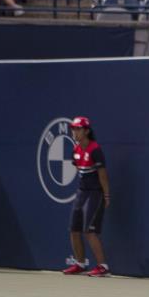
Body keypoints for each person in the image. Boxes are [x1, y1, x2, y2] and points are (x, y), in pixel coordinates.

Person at [61, 117, 111, 278]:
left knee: (89, 231)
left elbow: (102, 175)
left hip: (96, 193)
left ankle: (103, 267)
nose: (74, 132)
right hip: (82, 193)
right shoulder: (75, 150)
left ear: (87, 131)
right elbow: (80, 172)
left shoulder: (95, 149)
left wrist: (106, 195)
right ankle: (80, 264)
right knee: (74, 229)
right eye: (73, 129)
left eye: (78, 129)